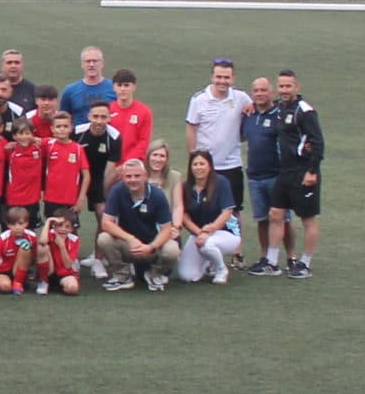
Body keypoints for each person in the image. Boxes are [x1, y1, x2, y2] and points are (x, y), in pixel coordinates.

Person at [263, 69, 324, 278]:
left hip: (303, 172)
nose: (284, 90)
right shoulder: (279, 108)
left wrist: (312, 171)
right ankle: (271, 262)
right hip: (285, 172)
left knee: (307, 219)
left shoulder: (305, 111)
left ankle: (305, 264)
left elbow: (318, 143)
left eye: (288, 86)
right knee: (275, 214)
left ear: (297, 87)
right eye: (281, 86)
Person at [96, 157, 180, 291]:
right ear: (123, 177)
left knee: (172, 249)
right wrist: (130, 239)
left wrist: (151, 247)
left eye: (137, 176)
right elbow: (106, 223)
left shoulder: (157, 195)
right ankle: (122, 275)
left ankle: (154, 274)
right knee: (104, 238)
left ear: (145, 176)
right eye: (128, 176)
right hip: (129, 246)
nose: (133, 180)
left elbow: (166, 229)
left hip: (152, 247)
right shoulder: (117, 191)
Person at [184, 57, 254, 208]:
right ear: (212, 77)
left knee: (234, 210)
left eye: (226, 77)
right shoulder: (199, 99)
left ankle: (235, 233)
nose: (222, 81)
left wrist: (251, 110)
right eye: (219, 77)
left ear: (233, 78)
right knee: (205, 207)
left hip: (232, 165)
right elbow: (191, 129)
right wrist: (193, 158)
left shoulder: (240, 97)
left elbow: (257, 108)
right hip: (206, 165)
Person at [173, 150, 240, 285]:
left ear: (209, 166)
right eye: (195, 164)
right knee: (187, 276)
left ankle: (221, 269)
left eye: (202, 164)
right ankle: (208, 263)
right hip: (198, 234)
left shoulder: (221, 182)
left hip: (225, 232)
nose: (198, 167)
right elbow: (185, 217)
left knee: (207, 245)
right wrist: (200, 233)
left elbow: (227, 211)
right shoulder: (186, 187)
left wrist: (209, 230)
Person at [61, 46, 117, 125]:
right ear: (82, 64)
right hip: (79, 136)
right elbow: (63, 120)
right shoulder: (70, 91)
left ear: (102, 63)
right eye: (88, 61)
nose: (91, 64)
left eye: (95, 61)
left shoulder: (115, 88)